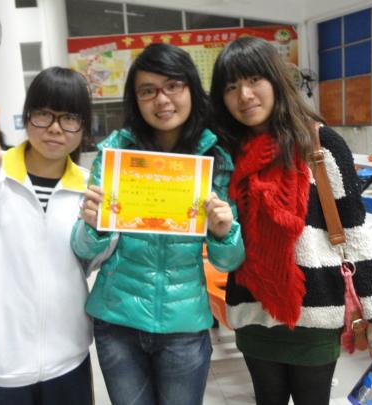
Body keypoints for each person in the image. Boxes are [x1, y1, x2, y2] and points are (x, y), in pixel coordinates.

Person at [209, 36, 372, 405]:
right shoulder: (227, 153)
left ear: (276, 80)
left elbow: (355, 233)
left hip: (316, 310)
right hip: (252, 310)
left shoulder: (321, 144)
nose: (244, 95)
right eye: (231, 87)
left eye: (254, 80)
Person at [71, 43, 245, 405]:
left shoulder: (215, 158)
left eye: (173, 86)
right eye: (148, 91)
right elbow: (83, 249)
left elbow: (228, 262)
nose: (162, 100)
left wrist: (224, 232)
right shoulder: (116, 155)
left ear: (191, 89)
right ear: (135, 100)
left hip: (185, 326)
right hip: (117, 321)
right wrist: (93, 226)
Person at [0, 67, 94, 405]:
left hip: (68, 359)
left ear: (83, 127)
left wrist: (101, 229)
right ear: (27, 117)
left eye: (70, 118)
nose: (55, 128)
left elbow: (92, 261)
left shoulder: (87, 186)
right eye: (44, 114)